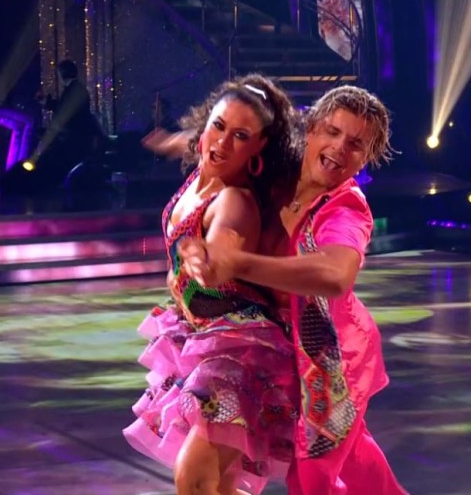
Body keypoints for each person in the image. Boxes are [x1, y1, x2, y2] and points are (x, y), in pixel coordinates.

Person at [181, 86, 406, 495]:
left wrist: (240, 264)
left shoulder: (345, 207)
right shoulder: (275, 170)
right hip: (272, 341)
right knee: (351, 459)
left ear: (367, 157)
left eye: (356, 144)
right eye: (332, 132)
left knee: (314, 474)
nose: (340, 148)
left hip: (334, 354)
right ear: (312, 127)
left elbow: (336, 275)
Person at [123, 74, 302, 495]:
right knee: (219, 484)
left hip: (241, 351)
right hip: (201, 339)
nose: (222, 143)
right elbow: (198, 142)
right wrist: (171, 141)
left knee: (196, 475)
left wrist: (206, 261)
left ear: (259, 148)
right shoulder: (203, 169)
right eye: (218, 127)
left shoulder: (233, 200)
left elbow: (222, 255)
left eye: (241, 136)